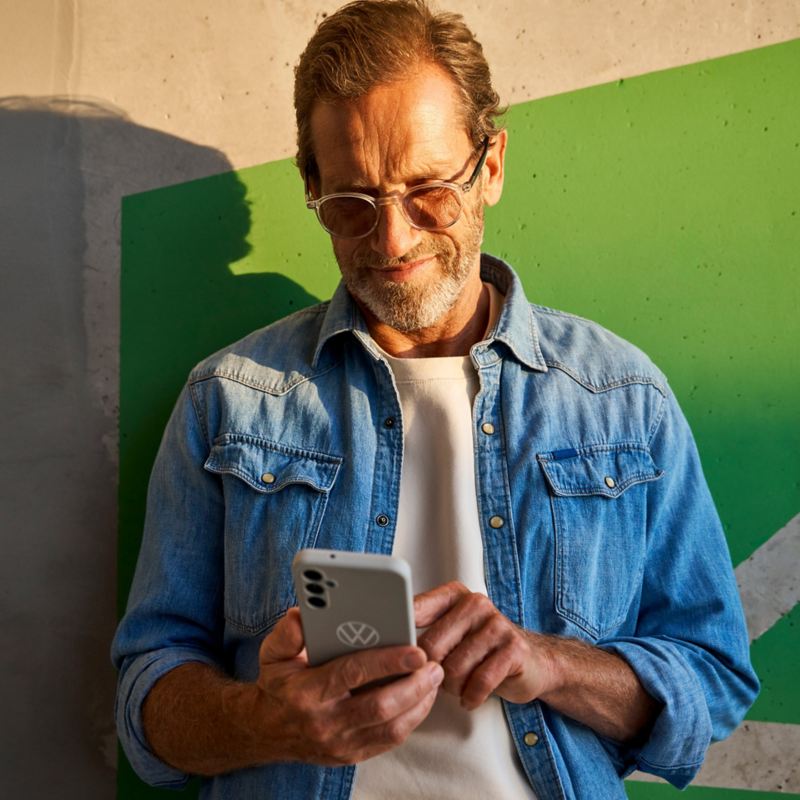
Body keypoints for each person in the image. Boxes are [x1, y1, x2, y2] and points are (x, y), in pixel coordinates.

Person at [112, 1, 758, 797]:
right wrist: (267, 720)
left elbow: (714, 676)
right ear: (311, 190)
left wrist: (547, 663)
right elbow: (147, 690)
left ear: (490, 165)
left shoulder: (620, 400)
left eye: (428, 192)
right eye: (353, 205)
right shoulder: (230, 401)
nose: (393, 241)